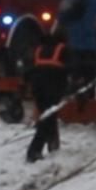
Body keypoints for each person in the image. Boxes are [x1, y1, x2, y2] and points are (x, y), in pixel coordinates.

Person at [26, 26, 68, 163]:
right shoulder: (62, 49)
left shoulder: (39, 49)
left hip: (38, 88)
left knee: (49, 115)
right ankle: (34, 150)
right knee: (48, 118)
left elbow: (29, 68)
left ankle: (53, 145)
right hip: (53, 88)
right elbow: (72, 68)